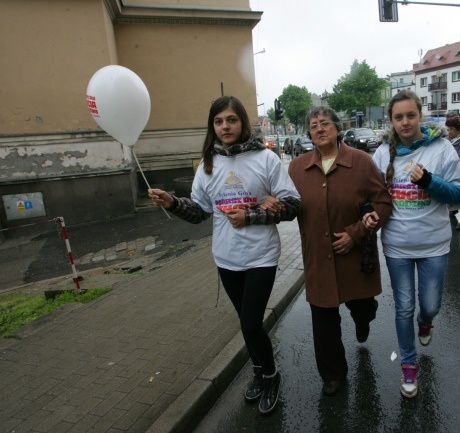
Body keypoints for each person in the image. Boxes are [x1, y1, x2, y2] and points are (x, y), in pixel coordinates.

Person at [148, 96, 300, 415]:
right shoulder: (208, 164)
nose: (225, 126)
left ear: (242, 122)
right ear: (212, 126)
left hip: (261, 256)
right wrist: (172, 203)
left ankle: (271, 376)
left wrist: (252, 216)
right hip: (226, 259)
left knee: (250, 323)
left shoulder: (265, 158)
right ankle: (259, 373)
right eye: (218, 121)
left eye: (231, 119)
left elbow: (293, 206)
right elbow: (200, 212)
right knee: (247, 325)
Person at [288, 107, 392, 397]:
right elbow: (288, 203)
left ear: (336, 128)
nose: (319, 129)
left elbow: (383, 203)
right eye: (313, 125)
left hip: (354, 255)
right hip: (318, 257)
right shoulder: (297, 167)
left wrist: (356, 233)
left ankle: (364, 317)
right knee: (323, 321)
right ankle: (332, 375)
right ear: (309, 133)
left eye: (324, 123)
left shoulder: (360, 162)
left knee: (361, 306)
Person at [372, 90, 460, 398]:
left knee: (430, 306)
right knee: (403, 308)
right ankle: (409, 367)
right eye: (398, 117)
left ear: (420, 116)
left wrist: (428, 182)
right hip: (397, 245)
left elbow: (458, 195)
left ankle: (426, 323)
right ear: (391, 121)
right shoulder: (383, 153)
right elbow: (370, 195)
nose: (405, 122)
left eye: (410, 115)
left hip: (434, 244)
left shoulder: (442, 149)